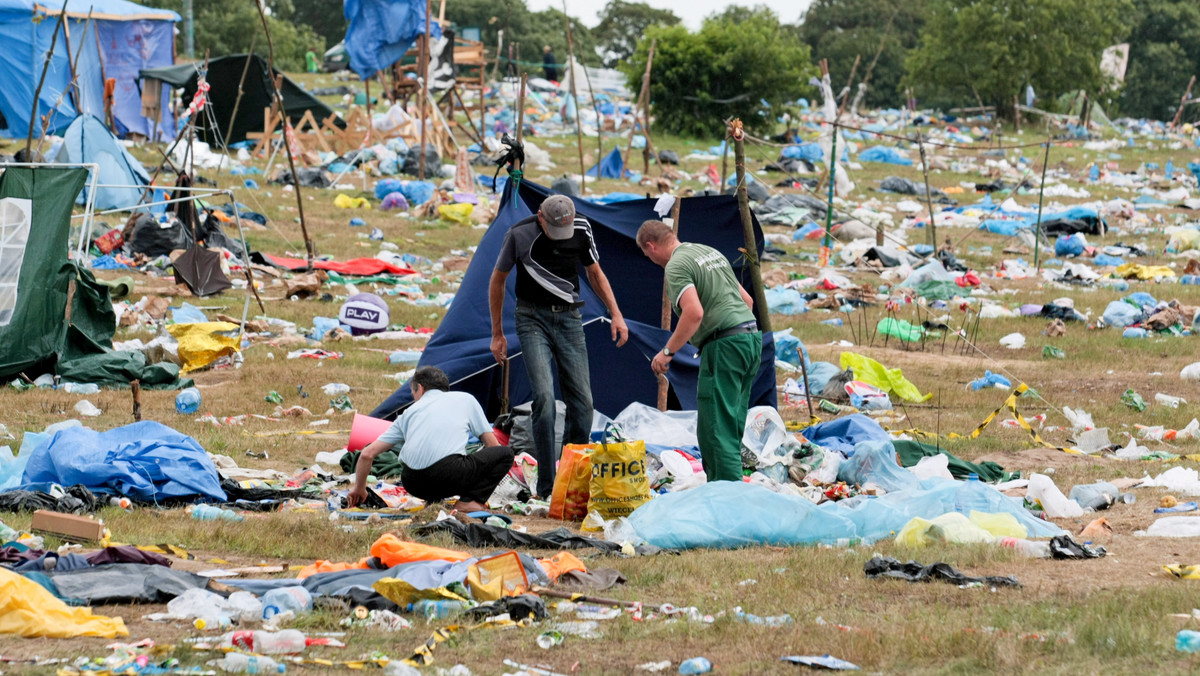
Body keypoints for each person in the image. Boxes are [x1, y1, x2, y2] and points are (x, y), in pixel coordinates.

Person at [489, 195, 628, 498]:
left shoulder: (581, 228)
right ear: (541, 217)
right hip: (531, 319)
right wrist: (497, 333)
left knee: (583, 408)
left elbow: (595, 273)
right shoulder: (519, 234)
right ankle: (547, 486)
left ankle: (571, 479)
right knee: (544, 399)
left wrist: (616, 314)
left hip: (569, 320)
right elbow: (497, 281)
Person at [636, 220, 762, 482]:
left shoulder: (677, 265)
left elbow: (694, 312)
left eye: (647, 254)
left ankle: (726, 497)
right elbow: (747, 301)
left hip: (725, 345)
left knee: (716, 430)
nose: (650, 260)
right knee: (733, 424)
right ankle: (731, 488)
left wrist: (668, 351)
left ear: (651, 246)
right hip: (750, 339)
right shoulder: (709, 252)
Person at [347, 366, 513, 512]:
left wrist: (359, 489)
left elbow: (367, 454)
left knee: (440, 463)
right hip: (449, 475)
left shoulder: (408, 413)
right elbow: (492, 446)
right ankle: (470, 502)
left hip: (412, 482)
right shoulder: (465, 399)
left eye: (413, 393)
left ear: (420, 388)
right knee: (505, 454)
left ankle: (434, 501)